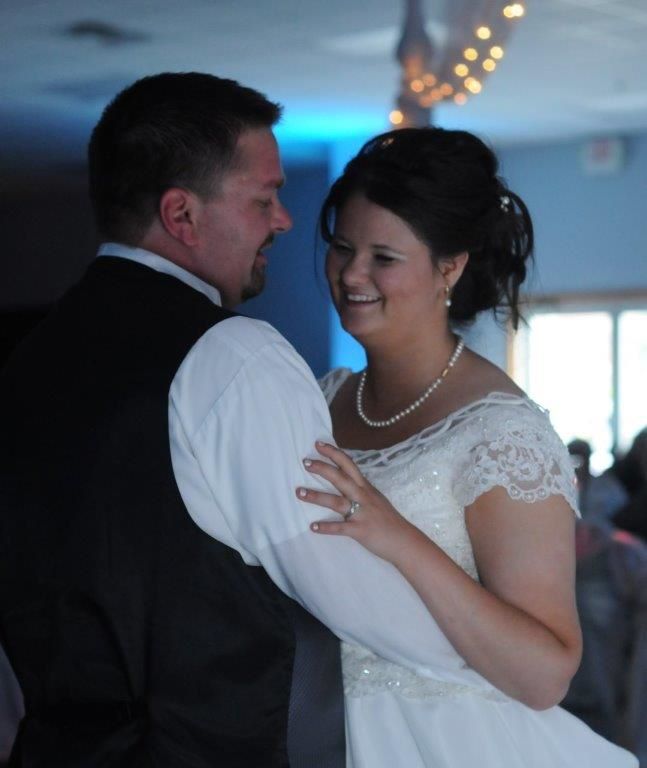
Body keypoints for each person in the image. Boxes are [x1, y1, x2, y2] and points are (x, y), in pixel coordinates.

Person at [0, 75, 511, 767]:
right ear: (181, 215)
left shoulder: (30, 359)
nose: (285, 220)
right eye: (263, 199)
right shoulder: (235, 355)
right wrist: (497, 661)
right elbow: (338, 581)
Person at [296, 127, 639, 767]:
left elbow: (545, 674)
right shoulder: (321, 396)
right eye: (341, 248)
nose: (351, 274)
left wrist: (400, 538)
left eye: (383, 257)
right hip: (310, 727)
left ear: (449, 267)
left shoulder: (502, 433)